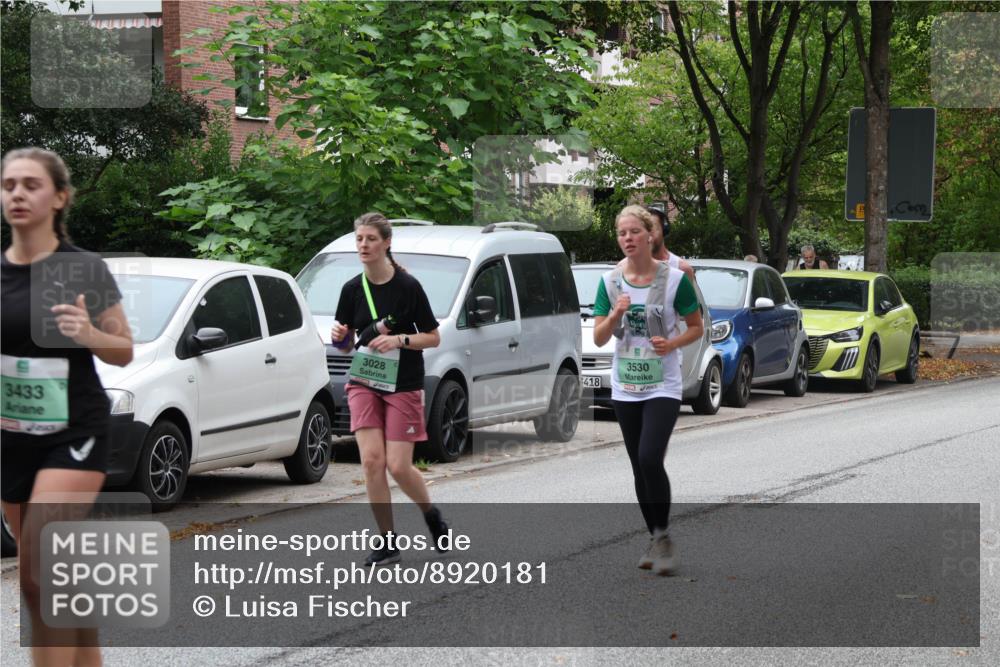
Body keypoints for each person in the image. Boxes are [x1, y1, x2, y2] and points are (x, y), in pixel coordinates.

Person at [2, 148, 133, 666]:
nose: (17, 193)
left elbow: (123, 352)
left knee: (38, 572)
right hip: (12, 435)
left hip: (74, 431)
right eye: (9, 184)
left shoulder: (82, 269)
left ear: (59, 197)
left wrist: (88, 333)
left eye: (30, 184)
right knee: (56, 581)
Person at [330, 212, 449, 566]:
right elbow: (346, 344)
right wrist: (340, 339)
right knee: (371, 461)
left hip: (403, 382)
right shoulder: (352, 289)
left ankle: (431, 515)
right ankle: (387, 540)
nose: (363, 245)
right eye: (359, 239)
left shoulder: (408, 287)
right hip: (364, 379)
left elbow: (433, 336)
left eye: (370, 239)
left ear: (386, 243)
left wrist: (399, 339)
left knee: (398, 466)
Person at [593, 205, 704, 576]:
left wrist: (671, 345)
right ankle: (656, 536)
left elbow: (695, 327)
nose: (627, 239)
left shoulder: (674, 280)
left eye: (634, 232)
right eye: (621, 233)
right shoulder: (610, 282)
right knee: (637, 467)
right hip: (625, 385)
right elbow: (599, 335)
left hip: (663, 385)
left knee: (649, 458)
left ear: (649, 235)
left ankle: (664, 535)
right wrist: (614, 315)